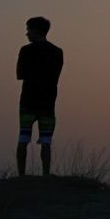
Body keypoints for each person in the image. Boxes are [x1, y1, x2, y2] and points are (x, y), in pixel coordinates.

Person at [16, 16, 64, 177]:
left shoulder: (26, 51)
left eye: (28, 30)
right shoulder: (57, 52)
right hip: (48, 102)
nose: (27, 33)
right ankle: (45, 175)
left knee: (23, 138)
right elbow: (56, 76)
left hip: (28, 101)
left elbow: (20, 74)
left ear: (36, 31)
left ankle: (21, 176)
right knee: (46, 142)